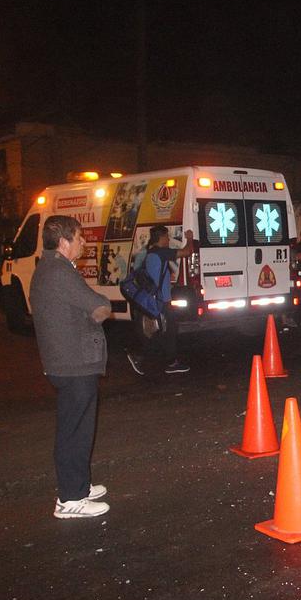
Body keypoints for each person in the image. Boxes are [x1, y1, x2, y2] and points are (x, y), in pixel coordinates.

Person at [29, 215, 112, 519]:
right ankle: (70, 498)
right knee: (74, 431)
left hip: (66, 361)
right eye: (79, 237)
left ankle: (79, 485)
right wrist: (101, 305)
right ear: (64, 242)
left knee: (77, 426)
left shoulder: (51, 268)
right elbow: (99, 306)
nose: (83, 243)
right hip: (73, 363)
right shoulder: (60, 272)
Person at [126, 225, 194, 375]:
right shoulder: (162, 252)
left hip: (154, 299)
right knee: (166, 330)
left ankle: (166, 361)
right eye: (167, 237)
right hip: (161, 301)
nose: (168, 240)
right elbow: (187, 252)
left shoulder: (151, 252)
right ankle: (147, 358)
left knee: (163, 331)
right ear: (161, 238)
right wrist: (190, 238)